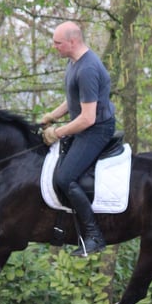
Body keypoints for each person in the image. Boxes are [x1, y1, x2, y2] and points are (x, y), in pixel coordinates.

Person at [41, 21, 116, 256]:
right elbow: (73, 98)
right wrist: (52, 117)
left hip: (96, 130)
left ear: (72, 42)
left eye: (58, 43)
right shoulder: (74, 63)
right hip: (85, 126)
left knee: (64, 177)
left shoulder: (88, 69)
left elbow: (87, 118)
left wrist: (57, 132)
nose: (54, 47)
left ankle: (94, 236)